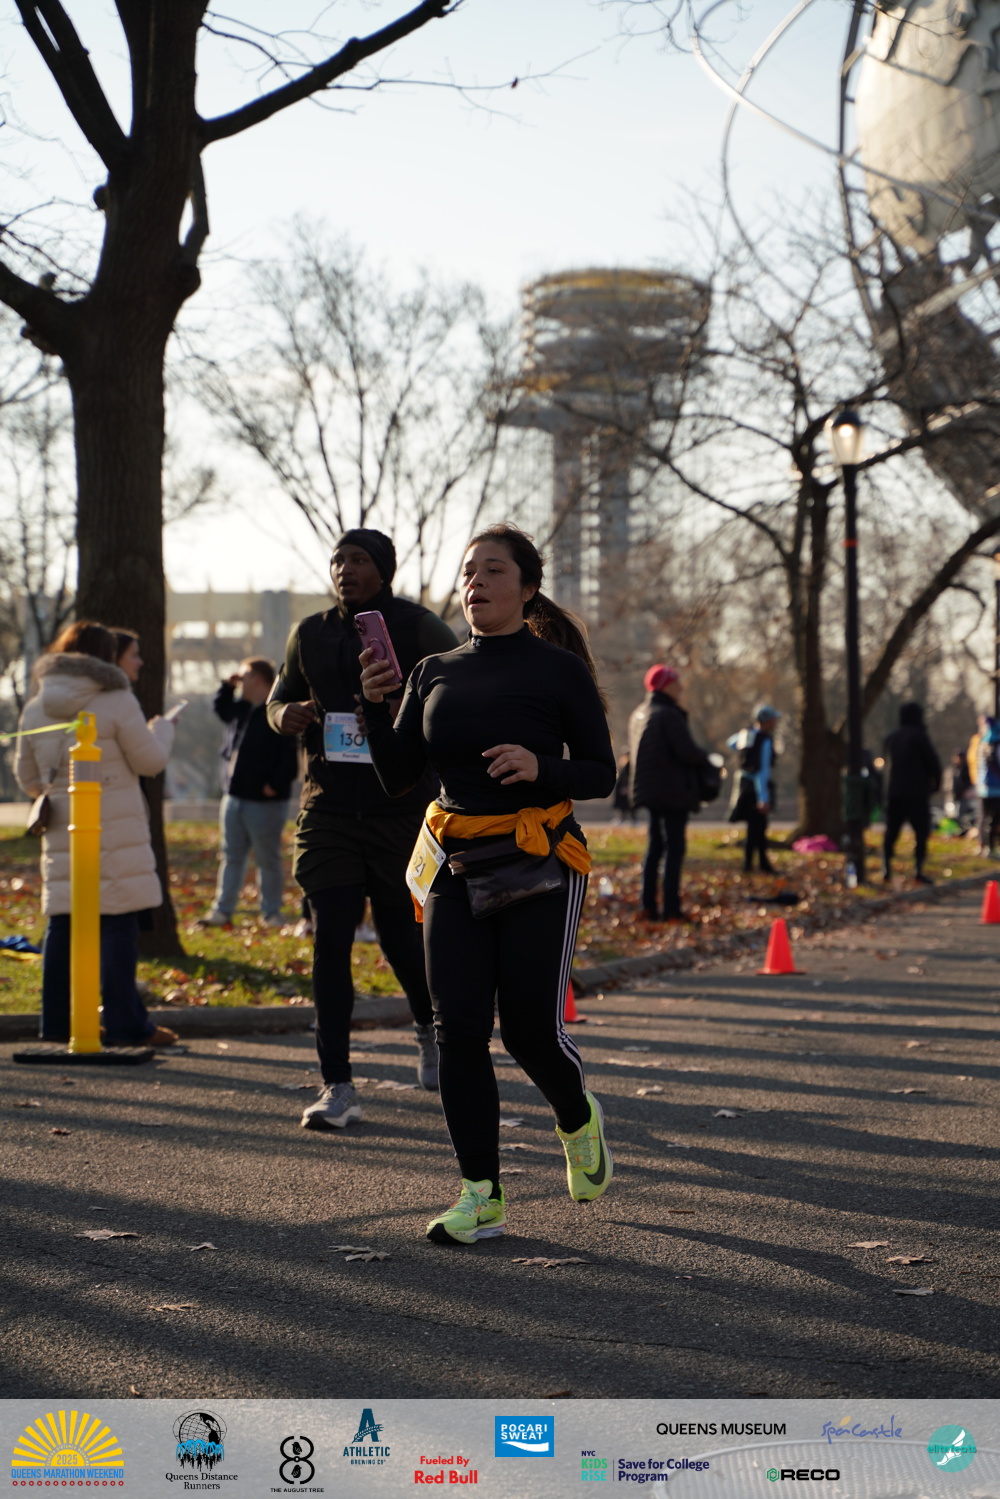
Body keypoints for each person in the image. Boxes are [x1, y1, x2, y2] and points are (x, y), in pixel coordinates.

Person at [361, 523, 617, 1246]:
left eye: (494, 570)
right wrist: (377, 705)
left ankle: (577, 1117)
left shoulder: (558, 670)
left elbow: (601, 773)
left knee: (530, 1030)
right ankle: (481, 1194)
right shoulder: (432, 670)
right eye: (469, 571)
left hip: (539, 858)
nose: (476, 582)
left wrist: (543, 767)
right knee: (459, 1029)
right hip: (453, 860)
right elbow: (396, 776)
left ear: (528, 588)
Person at [267, 528, 458, 1115]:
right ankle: (338, 1085)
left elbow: (461, 690)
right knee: (331, 940)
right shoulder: (310, 633)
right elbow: (276, 699)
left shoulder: (420, 627)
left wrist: (408, 707)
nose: (344, 569)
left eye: (358, 559)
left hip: (399, 809)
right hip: (327, 810)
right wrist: (285, 714)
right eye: (337, 560)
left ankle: (427, 1027)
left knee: (401, 939)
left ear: (383, 570)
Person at [15, 621, 177, 1047]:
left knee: (63, 923)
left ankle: (56, 1023)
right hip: (114, 828)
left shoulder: (36, 706)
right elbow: (149, 762)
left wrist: (57, 791)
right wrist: (163, 730)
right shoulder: (117, 699)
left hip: (61, 829)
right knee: (118, 923)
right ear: (107, 656)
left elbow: (26, 777)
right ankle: (126, 1024)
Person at [200, 658, 298, 928]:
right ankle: (222, 911)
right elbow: (221, 708)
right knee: (231, 856)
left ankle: (271, 913)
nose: (239, 681)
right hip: (233, 798)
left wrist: (274, 785)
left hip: (265, 803)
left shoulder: (276, 712)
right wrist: (226, 686)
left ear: (257, 680)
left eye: (243, 677)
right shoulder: (241, 709)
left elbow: (289, 758)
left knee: (268, 860)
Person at [628, 664, 711, 921]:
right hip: (672, 792)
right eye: (676, 683)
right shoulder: (668, 714)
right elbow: (686, 751)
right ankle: (671, 909)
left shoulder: (639, 713)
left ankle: (648, 906)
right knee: (674, 849)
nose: (681, 688)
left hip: (650, 792)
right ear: (664, 685)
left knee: (654, 847)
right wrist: (707, 759)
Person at [882, 700, 942, 884]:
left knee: (891, 831)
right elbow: (933, 763)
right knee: (921, 832)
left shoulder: (891, 738)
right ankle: (918, 869)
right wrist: (935, 785)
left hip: (895, 792)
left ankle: (886, 867)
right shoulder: (920, 736)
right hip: (917, 792)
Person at [727, 706, 781, 873]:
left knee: (753, 828)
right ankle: (760, 864)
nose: (775, 722)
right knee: (759, 827)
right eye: (773, 719)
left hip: (746, 788)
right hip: (757, 790)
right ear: (767, 721)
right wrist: (763, 798)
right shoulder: (765, 741)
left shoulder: (747, 736)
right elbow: (762, 771)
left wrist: (744, 735)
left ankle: (750, 864)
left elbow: (731, 743)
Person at [974, 716, 1000, 857]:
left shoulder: (982, 742)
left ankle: (983, 845)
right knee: (994, 819)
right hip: (996, 788)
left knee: (983, 817)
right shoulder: (996, 743)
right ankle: (991, 847)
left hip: (983, 787)